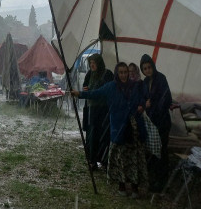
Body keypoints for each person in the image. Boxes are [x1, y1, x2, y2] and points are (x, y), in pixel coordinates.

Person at [72, 63, 148, 198]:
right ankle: (122, 185)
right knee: (120, 159)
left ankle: (135, 187)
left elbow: (142, 99)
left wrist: (142, 105)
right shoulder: (111, 87)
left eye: (125, 72)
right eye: (121, 72)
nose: (124, 75)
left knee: (134, 159)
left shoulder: (134, 86)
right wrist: (80, 94)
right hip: (119, 128)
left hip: (134, 128)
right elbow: (95, 93)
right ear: (117, 74)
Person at [140, 54, 172, 192]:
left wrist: (155, 109)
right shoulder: (145, 82)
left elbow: (166, 99)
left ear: (153, 66)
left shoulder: (161, 78)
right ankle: (155, 178)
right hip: (152, 121)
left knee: (161, 150)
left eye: (149, 67)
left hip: (162, 120)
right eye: (145, 68)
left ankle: (162, 181)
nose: (147, 70)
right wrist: (145, 104)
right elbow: (143, 98)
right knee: (154, 150)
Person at [82, 53, 114, 170]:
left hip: (104, 109)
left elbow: (109, 89)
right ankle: (92, 160)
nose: (92, 65)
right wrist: (85, 90)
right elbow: (85, 86)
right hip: (92, 108)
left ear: (99, 63)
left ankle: (105, 161)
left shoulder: (107, 74)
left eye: (94, 63)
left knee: (104, 134)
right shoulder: (90, 74)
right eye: (90, 63)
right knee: (93, 134)